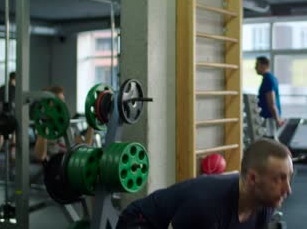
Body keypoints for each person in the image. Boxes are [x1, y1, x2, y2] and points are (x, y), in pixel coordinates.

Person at [116, 139, 293, 229]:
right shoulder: (206, 207)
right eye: (279, 178)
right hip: (141, 222)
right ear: (253, 179)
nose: (288, 190)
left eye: (289, 178)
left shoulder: (265, 204)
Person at [33, 86, 94, 162]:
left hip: (70, 165)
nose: (62, 104)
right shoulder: (44, 128)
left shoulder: (70, 127)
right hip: (53, 167)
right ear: (48, 104)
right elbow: (40, 156)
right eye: (59, 101)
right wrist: (45, 126)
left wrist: (91, 125)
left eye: (63, 100)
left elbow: (85, 148)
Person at [255, 56, 284, 140]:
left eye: (257, 65)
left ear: (265, 66)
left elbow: (271, 102)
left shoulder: (268, 79)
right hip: (269, 117)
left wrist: (277, 119)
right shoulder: (270, 78)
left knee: (270, 144)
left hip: (268, 118)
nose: (255, 68)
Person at [0, 71, 16, 159]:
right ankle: (12, 155)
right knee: (14, 134)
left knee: (1, 134)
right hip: (11, 115)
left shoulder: (0, 88)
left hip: (2, 115)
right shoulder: (15, 89)